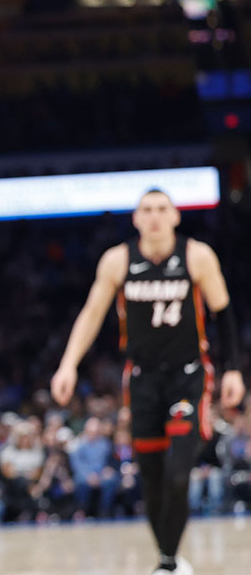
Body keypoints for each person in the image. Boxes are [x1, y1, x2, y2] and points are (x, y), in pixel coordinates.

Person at [50, 188, 245, 575]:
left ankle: (169, 564)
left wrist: (234, 369)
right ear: (136, 219)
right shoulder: (118, 260)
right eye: (147, 210)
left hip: (188, 376)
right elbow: (92, 313)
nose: (154, 216)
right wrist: (68, 364)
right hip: (140, 381)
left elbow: (223, 313)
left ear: (175, 216)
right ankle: (167, 560)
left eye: (161, 209)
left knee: (177, 472)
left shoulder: (197, 255)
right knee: (152, 479)